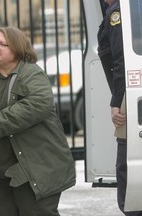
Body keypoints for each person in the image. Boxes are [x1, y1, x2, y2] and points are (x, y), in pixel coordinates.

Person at [0, 26, 76, 216]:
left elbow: (39, 102)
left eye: (3, 44)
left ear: (18, 48)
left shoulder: (31, 74)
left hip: (33, 169)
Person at [97, 0, 142, 215]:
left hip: (129, 91)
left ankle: (132, 208)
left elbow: (121, 60)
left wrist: (116, 102)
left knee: (127, 158)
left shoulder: (119, 11)